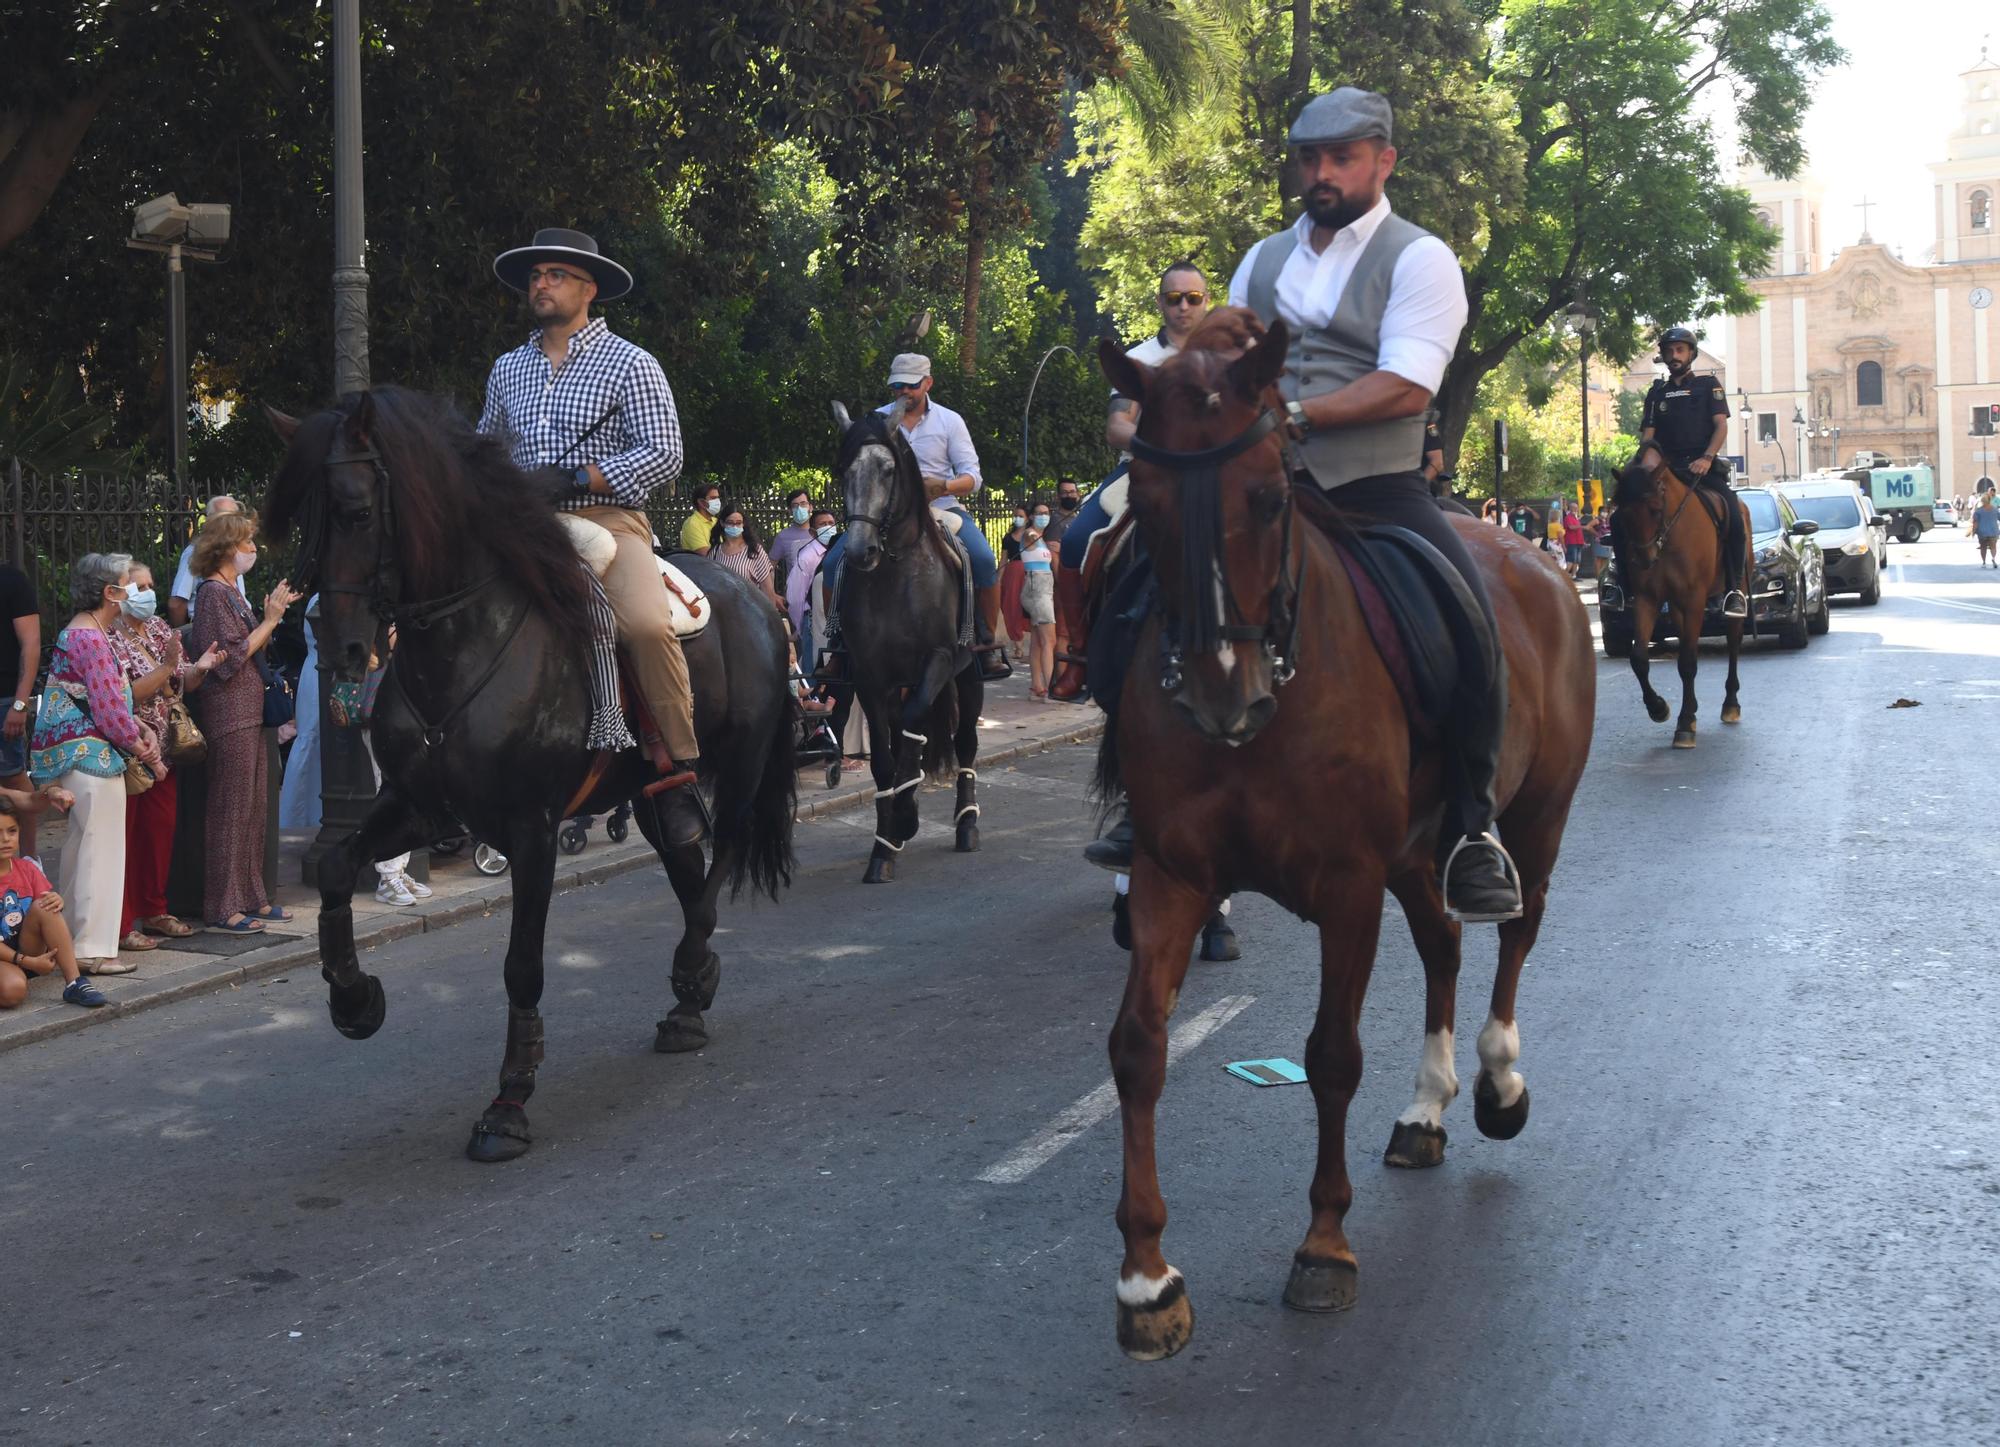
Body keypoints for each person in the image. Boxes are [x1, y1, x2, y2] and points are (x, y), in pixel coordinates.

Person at [1227, 86, 1518, 920]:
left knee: (1469, 620)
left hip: (1375, 490)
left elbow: (1406, 383)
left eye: (1341, 157)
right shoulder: (1261, 259)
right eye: (1310, 158)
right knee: (1143, 576)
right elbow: (1231, 356)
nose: (1321, 173)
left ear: (1383, 162)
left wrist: (1299, 415)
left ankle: (1471, 823)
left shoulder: (1420, 257)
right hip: (1267, 487)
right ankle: (1143, 790)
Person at [479, 226, 705, 845]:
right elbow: (486, 451)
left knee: (645, 625)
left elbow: (664, 453)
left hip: (607, 524)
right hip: (524, 528)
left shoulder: (631, 362)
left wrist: (584, 475)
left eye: (554, 275)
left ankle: (676, 770)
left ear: (590, 288)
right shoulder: (508, 369)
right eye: (535, 276)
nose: (541, 284)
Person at [1052, 258, 1215, 705]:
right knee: (1076, 540)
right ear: (1160, 303)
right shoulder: (1140, 360)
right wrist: (1160, 447)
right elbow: (1117, 428)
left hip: (1214, 472)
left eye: (1193, 298)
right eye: (1174, 298)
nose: (1183, 306)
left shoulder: (1225, 358)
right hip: (1146, 467)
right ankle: (1078, 653)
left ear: (1207, 301)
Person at [822, 353, 1008, 680]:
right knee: (833, 562)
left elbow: (973, 478)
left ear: (928, 383)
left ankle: (986, 640)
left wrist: (945, 485)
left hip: (942, 508)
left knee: (982, 558)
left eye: (911, 385)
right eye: (897, 385)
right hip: (884, 514)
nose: (903, 391)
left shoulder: (950, 422)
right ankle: (838, 642)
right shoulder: (874, 420)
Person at [27, 552, 162, 971]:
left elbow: (100, 699)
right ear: (110, 592)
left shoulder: (78, 633)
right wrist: (142, 748)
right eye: (129, 584)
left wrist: (135, 725)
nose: (136, 592)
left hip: (74, 754)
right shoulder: (92, 638)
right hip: (94, 757)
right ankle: (90, 950)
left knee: (80, 849)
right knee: (100, 853)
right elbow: (107, 709)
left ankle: (72, 940)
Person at [188, 515, 300, 933]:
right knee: (230, 809)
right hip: (230, 711)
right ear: (225, 547)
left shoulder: (232, 592)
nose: (252, 549)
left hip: (251, 711)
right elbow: (229, 658)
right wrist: (269, 620)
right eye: (247, 541)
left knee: (253, 808)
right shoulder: (214, 594)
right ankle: (222, 904)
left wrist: (272, 614)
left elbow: (252, 647)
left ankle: (252, 895)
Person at [107, 560, 222, 952]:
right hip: (129, 749)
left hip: (165, 749)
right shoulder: (108, 634)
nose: (147, 593)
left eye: (150, 584)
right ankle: (121, 924)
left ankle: (154, 909)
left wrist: (200, 668)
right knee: (124, 837)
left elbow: (182, 678)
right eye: (137, 587)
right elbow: (128, 694)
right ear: (118, 592)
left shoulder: (158, 627)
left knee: (158, 833)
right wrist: (170, 667)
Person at [1638, 325, 1747, 617]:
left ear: (1691, 354)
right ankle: (1632, 586)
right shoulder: (1657, 392)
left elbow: (1721, 425)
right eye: (1669, 351)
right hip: (1667, 469)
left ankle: (1734, 590)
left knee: (1734, 517)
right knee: (1633, 514)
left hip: (1702, 467)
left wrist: (1708, 457)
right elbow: (1648, 436)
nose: (1674, 356)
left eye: (1679, 350)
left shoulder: (1708, 385)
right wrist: (1643, 466)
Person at [0, 800, 108, 1009]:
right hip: (8, 958)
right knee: (13, 992)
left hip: (28, 947)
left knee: (46, 905)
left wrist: (57, 900)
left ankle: (75, 983)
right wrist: (26, 962)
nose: (5, 839)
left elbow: (47, 909)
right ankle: (16, 974)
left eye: (12, 831)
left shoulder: (27, 869)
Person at [0, 558, 40, 863]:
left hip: (5, 700)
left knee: (13, 777)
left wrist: (19, 703)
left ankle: (29, 860)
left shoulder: (12, 581)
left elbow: (31, 644)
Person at [167, 495, 246, 627]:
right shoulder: (195, 552)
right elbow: (177, 604)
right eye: (224, 517)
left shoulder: (235, 552)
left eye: (235, 517)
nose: (231, 522)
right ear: (210, 520)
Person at [786, 510, 836, 678]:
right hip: (811, 620)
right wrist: (800, 626)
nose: (829, 527)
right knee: (813, 666)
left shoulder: (840, 552)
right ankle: (810, 700)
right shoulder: (807, 557)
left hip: (833, 619)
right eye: (823, 524)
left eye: (831, 523)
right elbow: (795, 596)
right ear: (813, 532)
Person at [706, 503, 782, 612]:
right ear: (722, 523)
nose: (735, 526)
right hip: (723, 614)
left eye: (738, 523)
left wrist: (771, 617)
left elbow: (767, 589)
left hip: (750, 613)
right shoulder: (715, 552)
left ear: (743, 524)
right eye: (730, 523)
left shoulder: (755, 551)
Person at [1019, 519, 1058, 699]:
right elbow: (1029, 535)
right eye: (1038, 513)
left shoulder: (1044, 539)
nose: (1043, 516)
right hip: (1037, 589)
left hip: (1044, 588)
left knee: (1038, 641)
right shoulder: (1029, 534)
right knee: (1049, 641)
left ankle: (1037, 686)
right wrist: (1035, 534)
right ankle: (1052, 689)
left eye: (1045, 512)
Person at [1000, 502, 1030, 663]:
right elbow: (1003, 560)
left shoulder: (1033, 536)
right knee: (1011, 607)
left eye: (1021, 516)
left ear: (1027, 518)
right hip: (1012, 575)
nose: (1017, 518)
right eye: (1016, 516)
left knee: (1028, 608)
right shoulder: (1007, 538)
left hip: (1029, 572)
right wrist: (998, 580)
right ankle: (1018, 645)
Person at [768, 487, 816, 588]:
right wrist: (772, 595)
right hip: (795, 596)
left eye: (803, 504)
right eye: (795, 505)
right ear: (790, 511)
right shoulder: (783, 537)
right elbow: (769, 568)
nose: (800, 508)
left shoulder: (821, 532)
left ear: (810, 507)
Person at [680, 481, 723, 554]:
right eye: (713, 498)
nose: (717, 501)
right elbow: (705, 553)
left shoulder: (716, 521)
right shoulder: (692, 524)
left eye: (718, 498)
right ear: (701, 502)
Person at [1972, 494, 1999, 567]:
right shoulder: (1995, 509)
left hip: (1982, 532)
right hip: (1993, 531)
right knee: (1993, 547)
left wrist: (1973, 532)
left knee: (1983, 547)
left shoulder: (1978, 511)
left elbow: (1975, 523)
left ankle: (1984, 562)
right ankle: (1993, 558)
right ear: (1990, 500)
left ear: (1982, 501)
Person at [1563, 505, 1588, 579]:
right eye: (1574, 508)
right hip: (1571, 542)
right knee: (1571, 560)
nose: (1576, 509)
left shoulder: (1576, 518)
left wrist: (1583, 542)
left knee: (1577, 560)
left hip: (1578, 542)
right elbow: (1571, 527)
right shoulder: (1568, 517)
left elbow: (1579, 531)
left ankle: (1573, 575)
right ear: (1570, 508)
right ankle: (1564, 576)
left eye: (1576, 508)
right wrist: (1582, 527)